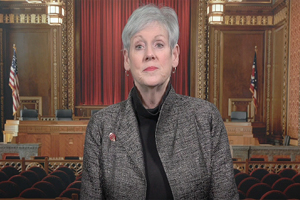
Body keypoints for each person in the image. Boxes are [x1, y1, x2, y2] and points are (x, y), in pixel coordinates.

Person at [80, 4, 238, 200]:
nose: (149, 54)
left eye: (159, 44)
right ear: (126, 59)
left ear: (174, 56)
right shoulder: (101, 126)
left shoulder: (206, 119)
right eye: (139, 46)